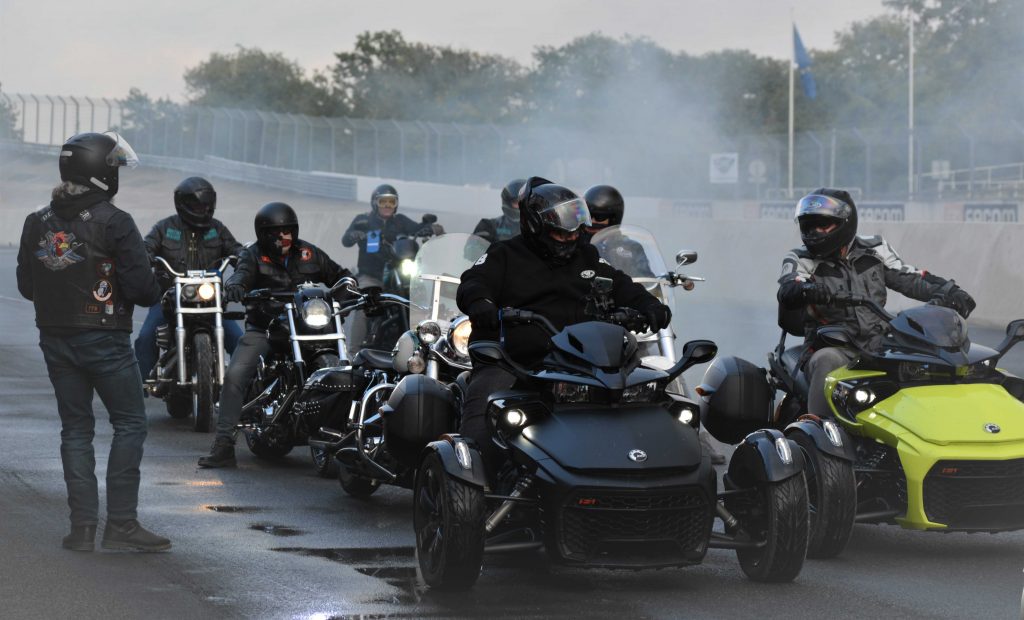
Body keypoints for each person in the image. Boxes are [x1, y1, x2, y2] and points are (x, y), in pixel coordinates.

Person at [16, 132, 171, 552]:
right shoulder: (116, 222)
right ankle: (121, 523)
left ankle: (82, 527)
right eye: (114, 165)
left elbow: (27, 287)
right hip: (105, 339)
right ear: (100, 171)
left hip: (55, 340)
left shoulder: (36, 221)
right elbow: (143, 291)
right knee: (130, 423)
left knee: (76, 430)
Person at [456, 177, 672, 479]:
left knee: (649, 392)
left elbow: (622, 284)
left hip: (580, 361)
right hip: (516, 361)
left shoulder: (586, 255)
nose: (570, 239)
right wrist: (481, 302)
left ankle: (651, 469)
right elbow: (474, 281)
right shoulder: (503, 254)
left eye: (574, 233)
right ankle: (475, 480)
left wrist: (650, 305)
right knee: (487, 401)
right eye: (560, 233)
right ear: (534, 225)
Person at [777, 188, 976, 417]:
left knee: (926, 362)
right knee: (827, 360)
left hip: (880, 344)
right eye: (810, 225)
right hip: (832, 344)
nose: (815, 231)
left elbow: (909, 278)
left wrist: (949, 291)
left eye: (823, 224)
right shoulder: (801, 259)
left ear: (845, 222)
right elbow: (789, 288)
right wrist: (807, 290)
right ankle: (816, 429)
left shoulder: (875, 249)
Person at [198, 202, 352, 468]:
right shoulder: (253, 255)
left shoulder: (309, 253)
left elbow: (340, 276)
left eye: (289, 231)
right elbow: (242, 276)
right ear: (264, 234)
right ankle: (223, 444)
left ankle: (348, 438)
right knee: (235, 375)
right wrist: (235, 287)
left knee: (351, 371)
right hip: (267, 328)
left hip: (308, 328)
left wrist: (349, 289)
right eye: (278, 233)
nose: (285, 237)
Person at [134, 177, 244, 386]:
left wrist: (243, 261)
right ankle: (141, 387)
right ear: (183, 204)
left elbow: (236, 249)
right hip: (169, 296)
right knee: (146, 337)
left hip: (210, 299)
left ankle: (245, 387)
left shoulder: (217, 229)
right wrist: (145, 255)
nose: (203, 210)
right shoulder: (164, 228)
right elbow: (147, 246)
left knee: (239, 339)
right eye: (197, 205)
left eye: (206, 205)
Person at [340, 183, 443, 350]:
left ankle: (433, 344)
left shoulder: (400, 221)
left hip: (400, 272)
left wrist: (430, 227)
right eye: (383, 202)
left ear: (396, 204)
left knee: (425, 296)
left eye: (391, 202)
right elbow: (345, 240)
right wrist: (354, 235)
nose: (387, 206)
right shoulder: (363, 220)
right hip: (372, 275)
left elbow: (417, 228)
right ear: (375, 203)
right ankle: (353, 351)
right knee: (364, 306)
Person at [472, 178, 525, 244]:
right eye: (516, 201)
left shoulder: (539, 229)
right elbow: (473, 250)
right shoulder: (488, 226)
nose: (521, 206)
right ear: (508, 202)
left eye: (525, 202)